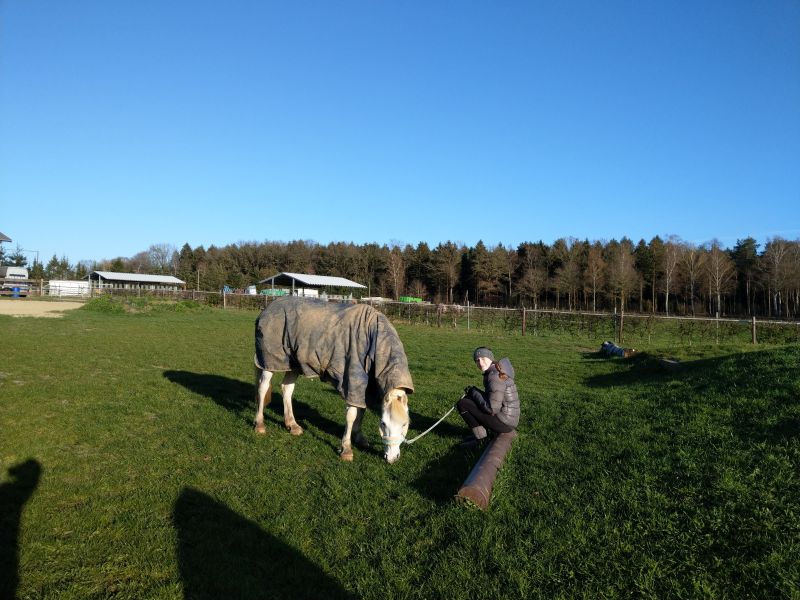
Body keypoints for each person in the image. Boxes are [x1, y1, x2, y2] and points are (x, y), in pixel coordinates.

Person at [456, 347, 520, 448]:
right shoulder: (497, 370)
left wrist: (474, 392)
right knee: (471, 399)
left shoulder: (494, 376)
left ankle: (481, 440)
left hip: (505, 422)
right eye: (477, 360)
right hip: (509, 419)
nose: (480, 363)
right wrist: (473, 392)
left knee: (463, 404)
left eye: (483, 358)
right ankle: (481, 435)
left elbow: (492, 409)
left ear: (490, 358)